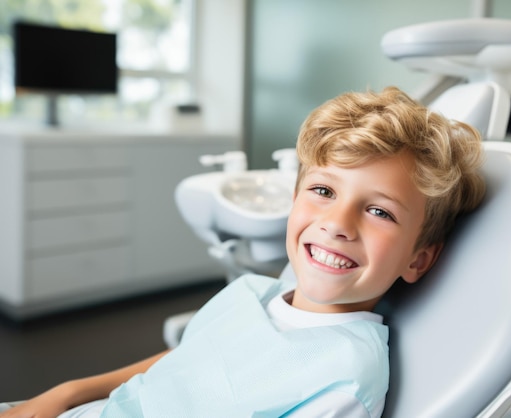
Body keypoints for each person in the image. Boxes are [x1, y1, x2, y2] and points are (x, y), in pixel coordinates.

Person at [0, 86, 485, 418]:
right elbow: (181, 361)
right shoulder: (251, 293)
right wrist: (64, 395)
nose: (336, 224)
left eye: (380, 212)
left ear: (418, 259)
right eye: (323, 190)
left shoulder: (344, 379)